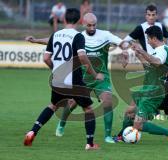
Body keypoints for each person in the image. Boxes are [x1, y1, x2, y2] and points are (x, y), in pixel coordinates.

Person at [25, 13, 128, 144]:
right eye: (89, 25)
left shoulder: (105, 35)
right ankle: (62, 124)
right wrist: (36, 40)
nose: (92, 28)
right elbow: (50, 40)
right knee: (72, 104)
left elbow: (122, 42)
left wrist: (125, 50)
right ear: (83, 24)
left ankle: (107, 136)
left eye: (94, 25)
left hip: (102, 77)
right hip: (82, 77)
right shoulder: (79, 36)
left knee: (108, 102)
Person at [117, 25, 168, 146]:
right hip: (146, 89)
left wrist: (141, 51)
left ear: (154, 38)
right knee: (129, 112)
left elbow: (156, 62)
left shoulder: (164, 50)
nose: (148, 41)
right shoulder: (156, 51)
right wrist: (138, 53)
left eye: (148, 39)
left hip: (154, 92)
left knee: (138, 124)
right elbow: (148, 65)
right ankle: (121, 136)